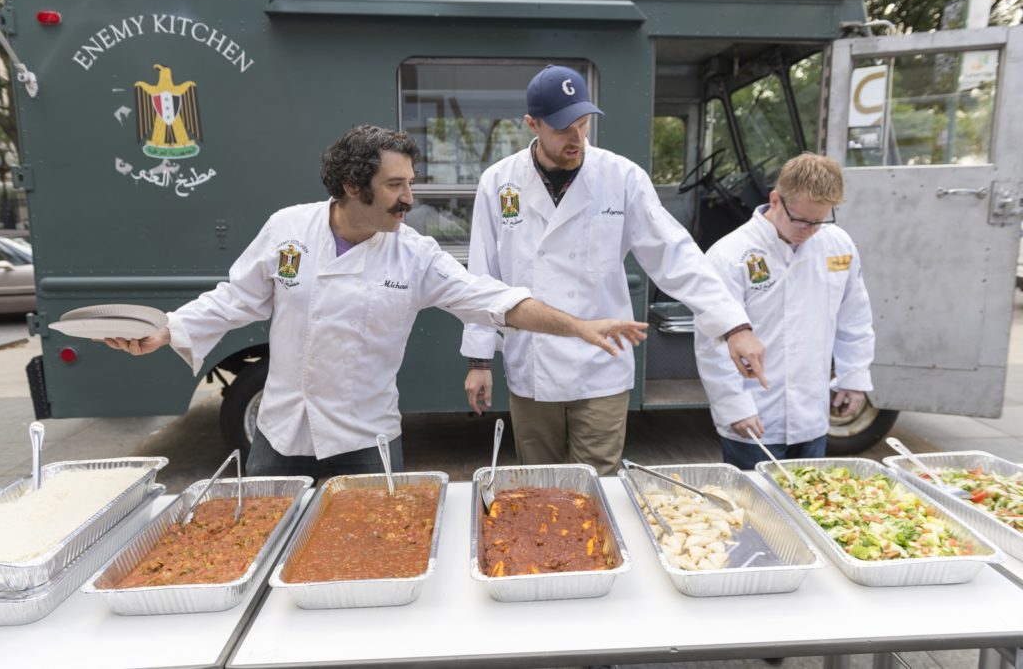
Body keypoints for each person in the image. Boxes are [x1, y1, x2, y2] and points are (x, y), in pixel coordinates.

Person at [105, 124, 647, 479]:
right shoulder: (288, 229)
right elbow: (235, 300)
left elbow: (495, 300)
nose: (409, 198)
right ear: (350, 184)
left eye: (410, 183)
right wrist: (169, 329)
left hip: (366, 440)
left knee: (375, 550)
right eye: (395, 186)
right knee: (272, 547)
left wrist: (577, 326)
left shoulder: (414, 255)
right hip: (281, 431)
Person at [460, 65, 767, 476]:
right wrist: (479, 360)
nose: (576, 138)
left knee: (598, 483)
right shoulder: (498, 182)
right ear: (532, 124)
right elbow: (484, 275)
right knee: (538, 485)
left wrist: (734, 326)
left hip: (600, 365)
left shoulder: (621, 178)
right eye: (562, 127)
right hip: (533, 364)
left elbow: (674, 255)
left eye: (584, 124)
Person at [694, 153, 875, 469]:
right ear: (775, 200)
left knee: (807, 506)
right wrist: (733, 405)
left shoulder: (838, 246)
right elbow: (713, 342)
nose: (810, 230)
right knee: (755, 513)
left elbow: (854, 317)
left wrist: (853, 377)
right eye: (801, 220)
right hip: (755, 414)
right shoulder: (730, 255)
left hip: (812, 414)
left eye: (820, 221)